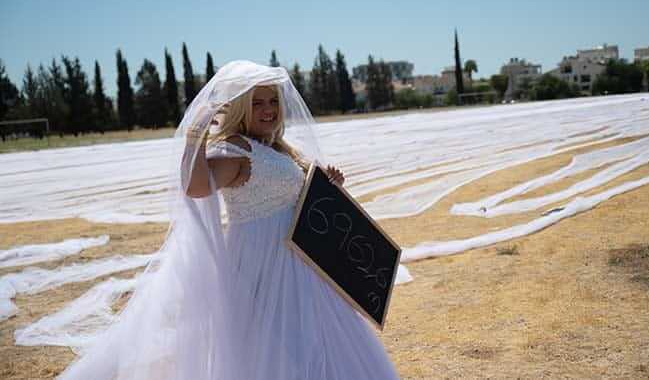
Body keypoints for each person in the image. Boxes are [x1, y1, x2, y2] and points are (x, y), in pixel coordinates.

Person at [58, 61, 400, 380]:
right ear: (240, 108)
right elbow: (195, 186)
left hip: (302, 261)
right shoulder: (237, 150)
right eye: (257, 103)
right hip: (263, 261)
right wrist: (196, 136)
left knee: (316, 336)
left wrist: (327, 186)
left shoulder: (279, 147)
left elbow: (293, 196)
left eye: (272, 102)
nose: (268, 110)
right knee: (277, 341)